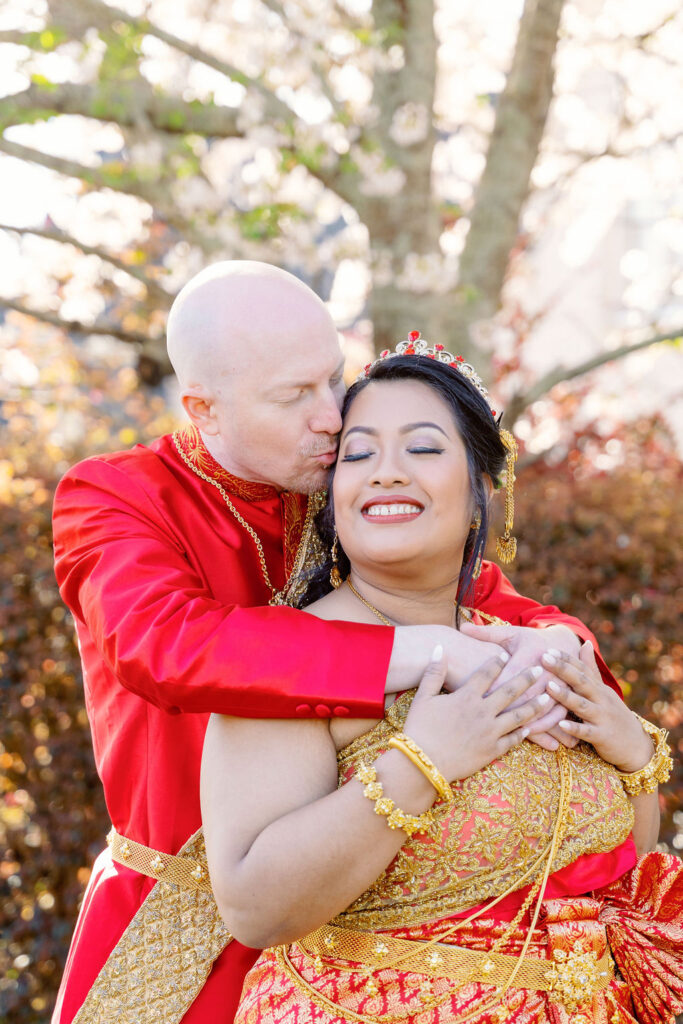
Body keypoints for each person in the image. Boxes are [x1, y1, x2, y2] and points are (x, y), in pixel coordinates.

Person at [52, 263, 619, 1024]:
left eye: (333, 379)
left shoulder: (345, 480)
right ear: (203, 411)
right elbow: (162, 646)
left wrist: (551, 648)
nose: (332, 417)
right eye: (294, 396)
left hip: (372, 932)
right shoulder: (116, 496)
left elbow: (505, 608)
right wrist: (425, 654)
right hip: (185, 928)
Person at [202, 340, 681, 1024]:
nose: (385, 473)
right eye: (358, 454)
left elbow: (623, 859)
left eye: (422, 449)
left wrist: (629, 748)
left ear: (482, 486)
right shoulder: (290, 655)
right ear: (331, 497)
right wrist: (422, 763)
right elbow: (253, 908)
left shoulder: (520, 644)